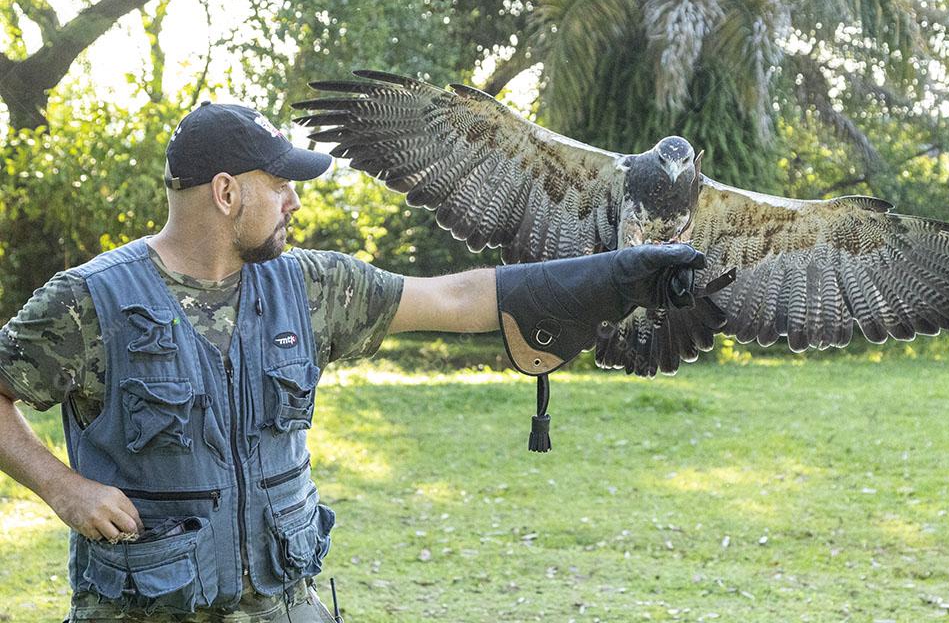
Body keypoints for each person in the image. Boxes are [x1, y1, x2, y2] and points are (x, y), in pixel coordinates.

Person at [0, 102, 709, 622]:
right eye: (279, 185)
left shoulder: (309, 285)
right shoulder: (90, 301)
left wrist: (620, 275)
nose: (294, 200)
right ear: (225, 193)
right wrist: (64, 488)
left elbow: (455, 297)